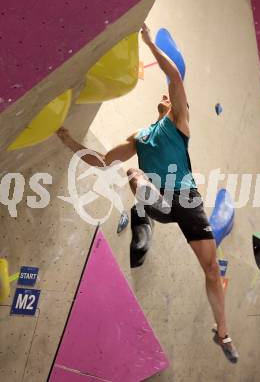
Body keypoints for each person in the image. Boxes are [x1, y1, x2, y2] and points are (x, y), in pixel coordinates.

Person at [56, 23, 238, 363]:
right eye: (167, 95)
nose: (169, 96)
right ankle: (143, 215)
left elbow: (174, 77)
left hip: (185, 202)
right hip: (158, 201)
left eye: (172, 96)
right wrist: (70, 143)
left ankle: (223, 333)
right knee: (131, 172)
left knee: (212, 269)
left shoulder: (179, 122)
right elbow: (103, 160)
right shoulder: (140, 137)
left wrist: (151, 43)